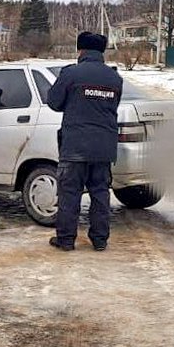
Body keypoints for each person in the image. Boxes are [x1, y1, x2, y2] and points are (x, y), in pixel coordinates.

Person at [47, 31, 123, 251]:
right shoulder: (114, 78)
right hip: (104, 147)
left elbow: (54, 102)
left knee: (70, 193)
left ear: (80, 50)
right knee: (100, 193)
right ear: (102, 51)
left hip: (75, 146)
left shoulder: (71, 74)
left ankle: (66, 239)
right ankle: (100, 240)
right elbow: (112, 107)